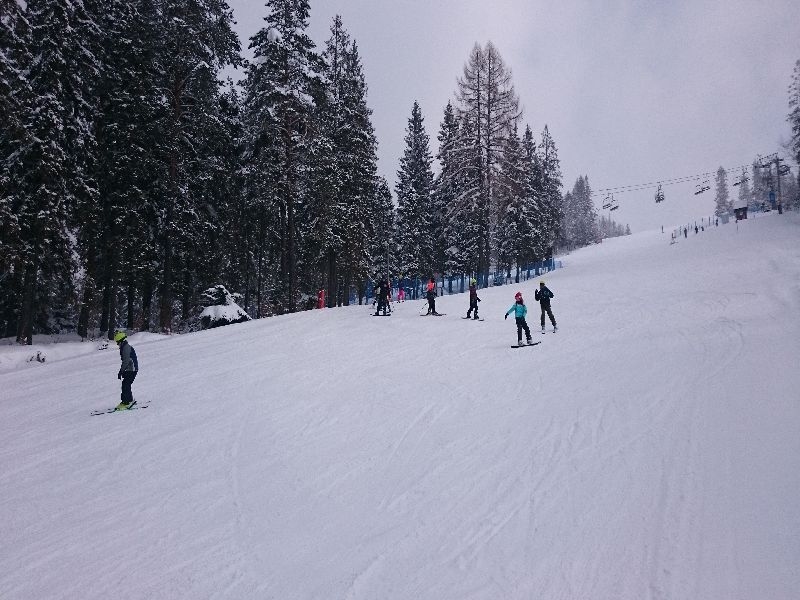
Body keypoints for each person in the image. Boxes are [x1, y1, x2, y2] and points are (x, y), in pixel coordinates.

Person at [114, 331, 138, 410]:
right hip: (130, 369)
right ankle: (129, 400)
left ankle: (126, 402)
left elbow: (126, 361)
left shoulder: (126, 348)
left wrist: (121, 371)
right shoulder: (125, 347)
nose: (117, 344)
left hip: (132, 369)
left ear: (121, 341)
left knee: (125, 385)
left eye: (117, 342)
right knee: (126, 384)